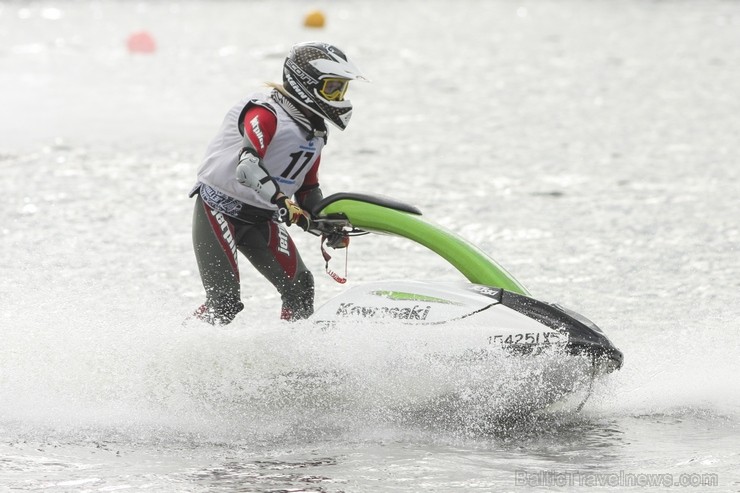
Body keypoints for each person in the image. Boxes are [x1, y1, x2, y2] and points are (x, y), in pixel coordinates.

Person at [188, 41, 365, 325]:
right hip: (217, 209)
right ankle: (180, 356)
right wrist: (282, 201)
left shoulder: (315, 133)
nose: (339, 96)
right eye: (332, 88)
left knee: (301, 287)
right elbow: (247, 167)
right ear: (305, 84)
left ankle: (291, 359)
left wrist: (327, 225)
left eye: (342, 89)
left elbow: (307, 189)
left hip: (260, 217)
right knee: (224, 302)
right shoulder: (266, 113)